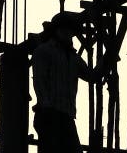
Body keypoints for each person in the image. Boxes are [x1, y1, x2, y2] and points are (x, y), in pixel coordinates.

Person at [31, 13, 103, 153]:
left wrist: (109, 57)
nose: (68, 33)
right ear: (56, 31)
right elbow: (39, 82)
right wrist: (47, 107)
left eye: (70, 31)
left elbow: (92, 76)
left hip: (65, 116)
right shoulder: (44, 51)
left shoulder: (73, 57)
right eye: (64, 30)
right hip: (49, 115)